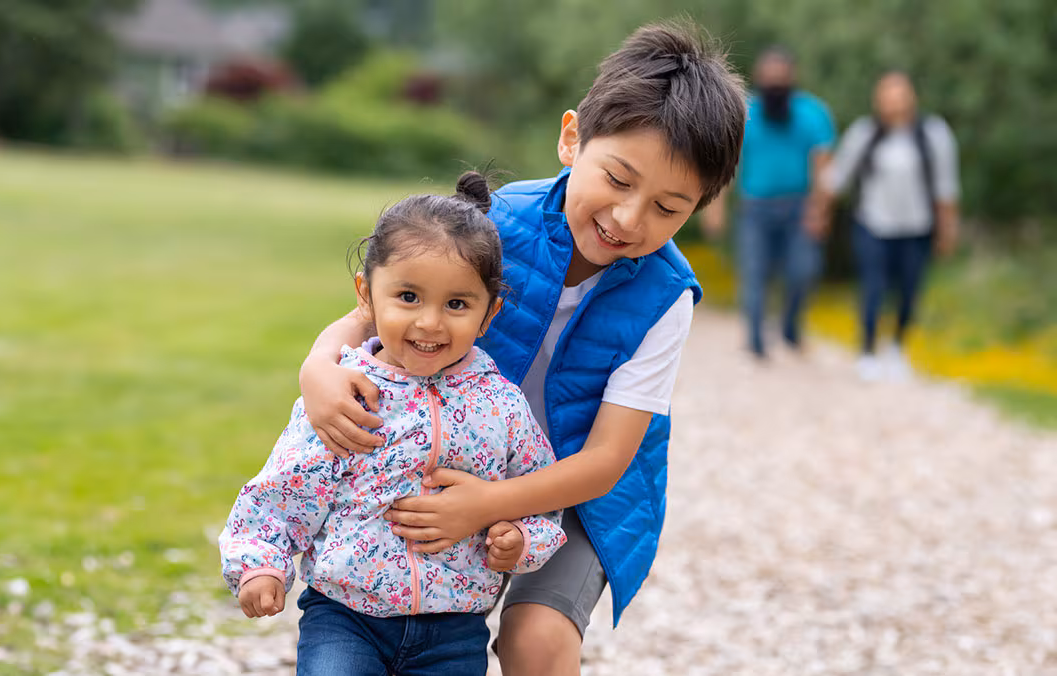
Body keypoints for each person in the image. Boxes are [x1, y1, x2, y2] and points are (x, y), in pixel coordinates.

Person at [297, 22, 747, 675]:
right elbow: (373, 315)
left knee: (536, 639)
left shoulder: (667, 296)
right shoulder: (499, 222)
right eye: (618, 179)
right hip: (459, 455)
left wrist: (486, 504)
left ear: (699, 208)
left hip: (580, 494)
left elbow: (608, 459)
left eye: (667, 208)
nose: (628, 219)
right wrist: (318, 367)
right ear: (572, 139)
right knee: (389, 612)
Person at [219, 172, 567, 676]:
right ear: (367, 294)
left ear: (488, 315)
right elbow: (282, 489)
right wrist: (259, 564)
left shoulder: (503, 407)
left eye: (456, 304)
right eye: (408, 297)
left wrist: (520, 540)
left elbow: (538, 495)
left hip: (455, 625)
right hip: (345, 616)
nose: (430, 322)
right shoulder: (346, 393)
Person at [814, 71, 960, 381]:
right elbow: (836, 179)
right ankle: (867, 351)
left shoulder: (933, 134)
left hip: (917, 227)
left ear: (911, 97)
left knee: (909, 291)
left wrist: (947, 229)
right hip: (873, 224)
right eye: (886, 94)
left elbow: (946, 188)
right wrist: (819, 212)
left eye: (899, 93)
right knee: (873, 287)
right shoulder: (864, 134)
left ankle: (897, 348)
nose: (892, 101)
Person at [701, 46, 836, 359]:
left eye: (781, 78)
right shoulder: (744, 113)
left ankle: (790, 327)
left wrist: (820, 210)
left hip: (800, 207)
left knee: (804, 270)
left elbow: (824, 168)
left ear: (792, 78)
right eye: (769, 78)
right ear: (759, 79)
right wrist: (715, 208)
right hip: (755, 209)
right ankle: (756, 340)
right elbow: (728, 165)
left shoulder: (813, 115)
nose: (775, 84)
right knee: (754, 272)